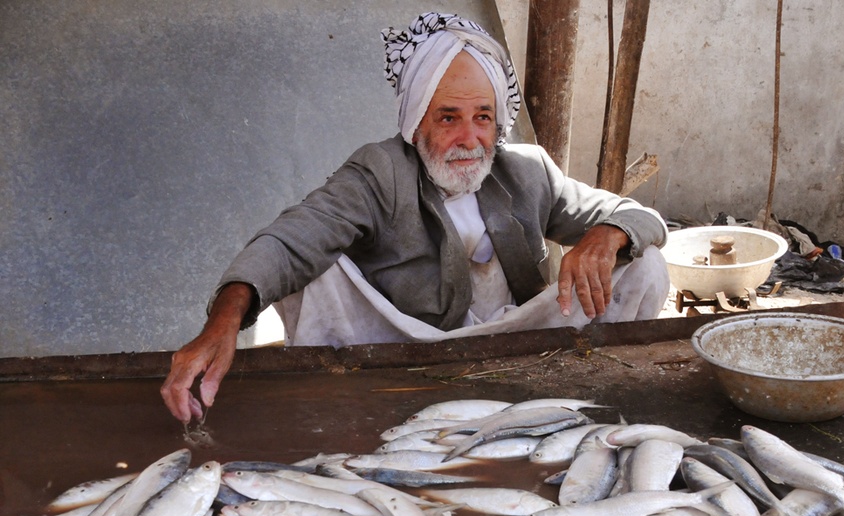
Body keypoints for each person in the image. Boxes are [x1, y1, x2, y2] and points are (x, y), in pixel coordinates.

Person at [161, 12, 670, 424]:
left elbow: (637, 215)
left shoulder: (528, 170)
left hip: (517, 344)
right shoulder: (380, 171)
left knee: (643, 261)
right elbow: (293, 239)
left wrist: (607, 234)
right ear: (416, 120)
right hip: (400, 348)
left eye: (482, 117)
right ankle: (339, 406)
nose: (469, 138)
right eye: (448, 117)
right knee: (314, 271)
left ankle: (594, 395)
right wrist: (223, 322)